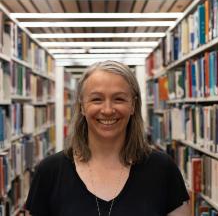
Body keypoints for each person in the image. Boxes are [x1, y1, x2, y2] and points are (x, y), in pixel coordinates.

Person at [25, 60, 190, 216]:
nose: (108, 110)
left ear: (133, 105)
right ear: (82, 106)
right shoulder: (49, 172)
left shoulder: (163, 169)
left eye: (119, 99)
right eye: (97, 99)